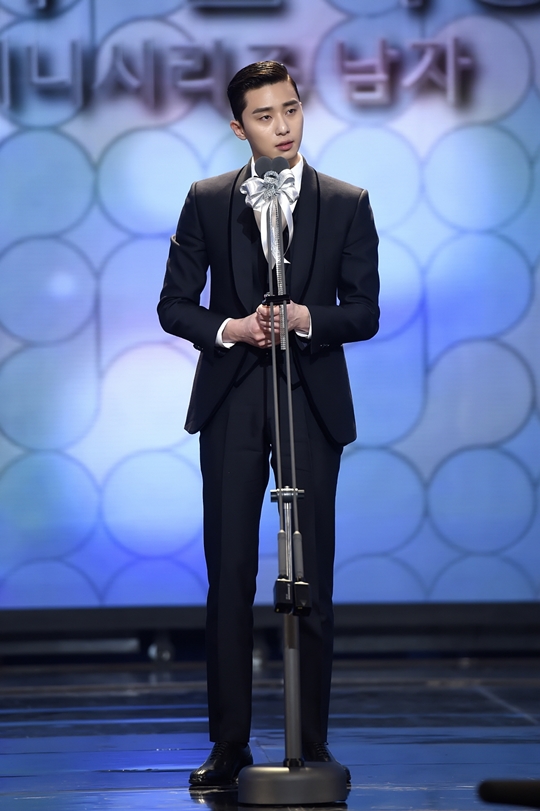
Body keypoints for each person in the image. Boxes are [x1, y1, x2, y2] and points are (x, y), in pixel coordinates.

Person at [158, 61, 379, 787]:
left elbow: (365, 311)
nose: (283, 126)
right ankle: (230, 744)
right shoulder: (206, 199)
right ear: (238, 127)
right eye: (264, 116)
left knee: (311, 573)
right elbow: (174, 305)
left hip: (309, 398)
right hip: (233, 397)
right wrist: (232, 327)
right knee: (229, 575)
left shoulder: (346, 202)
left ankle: (310, 742)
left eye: (291, 109)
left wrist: (310, 317)